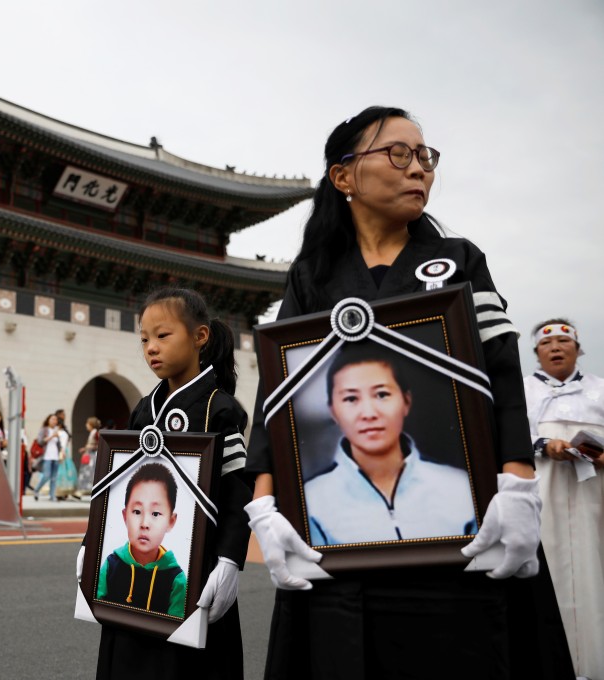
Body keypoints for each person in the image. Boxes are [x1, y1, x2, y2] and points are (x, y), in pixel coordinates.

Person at [244, 106, 574, 678]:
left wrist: (518, 484)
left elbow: (500, 373)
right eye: (399, 153)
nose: (418, 168)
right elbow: (278, 393)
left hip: (463, 545)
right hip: (340, 566)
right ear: (344, 175)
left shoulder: (460, 261)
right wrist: (265, 505)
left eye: (425, 157)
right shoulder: (310, 276)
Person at [89, 287, 251, 680]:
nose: (151, 348)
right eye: (144, 339)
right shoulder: (144, 407)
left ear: (200, 337)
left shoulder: (219, 408)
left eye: (163, 336)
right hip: (132, 579)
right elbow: (117, 487)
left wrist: (230, 560)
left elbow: (237, 494)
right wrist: (89, 545)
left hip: (195, 574)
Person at [305, 343, 476, 545]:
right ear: (333, 411)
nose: (369, 413)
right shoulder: (311, 500)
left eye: (382, 394)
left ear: (406, 401)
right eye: (351, 398)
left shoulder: (460, 486)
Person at [524, 319, 604, 680]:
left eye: (563, 341)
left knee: (594, 565)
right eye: (547, 343)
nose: (555, 348)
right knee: (548, 565)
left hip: (594, 490)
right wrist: (546, 445)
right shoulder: (522, 391)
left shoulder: (600, 389)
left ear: (578, 348)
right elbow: (504, 435)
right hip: (545, 486)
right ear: (537, 353)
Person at [96, 462, 187, 617]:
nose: (145, 524)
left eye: (156, 514)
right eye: (137, 511)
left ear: (171, 522)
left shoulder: (177, 580)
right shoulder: (111, 566)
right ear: (125, 517)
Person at [33, 414, 67, 501]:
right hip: (46, 456)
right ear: (48, 420)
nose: (54, 421)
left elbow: (58, 444)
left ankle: (52, 496)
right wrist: (51, 436)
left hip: (55, 456)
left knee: (54, 477)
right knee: (46, 475)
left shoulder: (56, 431)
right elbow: (40, 442)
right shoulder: (44, 430)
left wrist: (62, 451)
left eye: (55, 420)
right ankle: (36, 489)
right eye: (52, 419)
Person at [77, 416, 101, 493]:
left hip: (92, 456)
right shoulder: (92, 433)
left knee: (90, 472)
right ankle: (84, 489)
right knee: (86, 472)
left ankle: (88, 489)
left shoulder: (96, 433)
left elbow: (100, 444)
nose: (86, 425)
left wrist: (91, 447)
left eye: (87, 423)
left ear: (91, 424)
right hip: (89, 454)